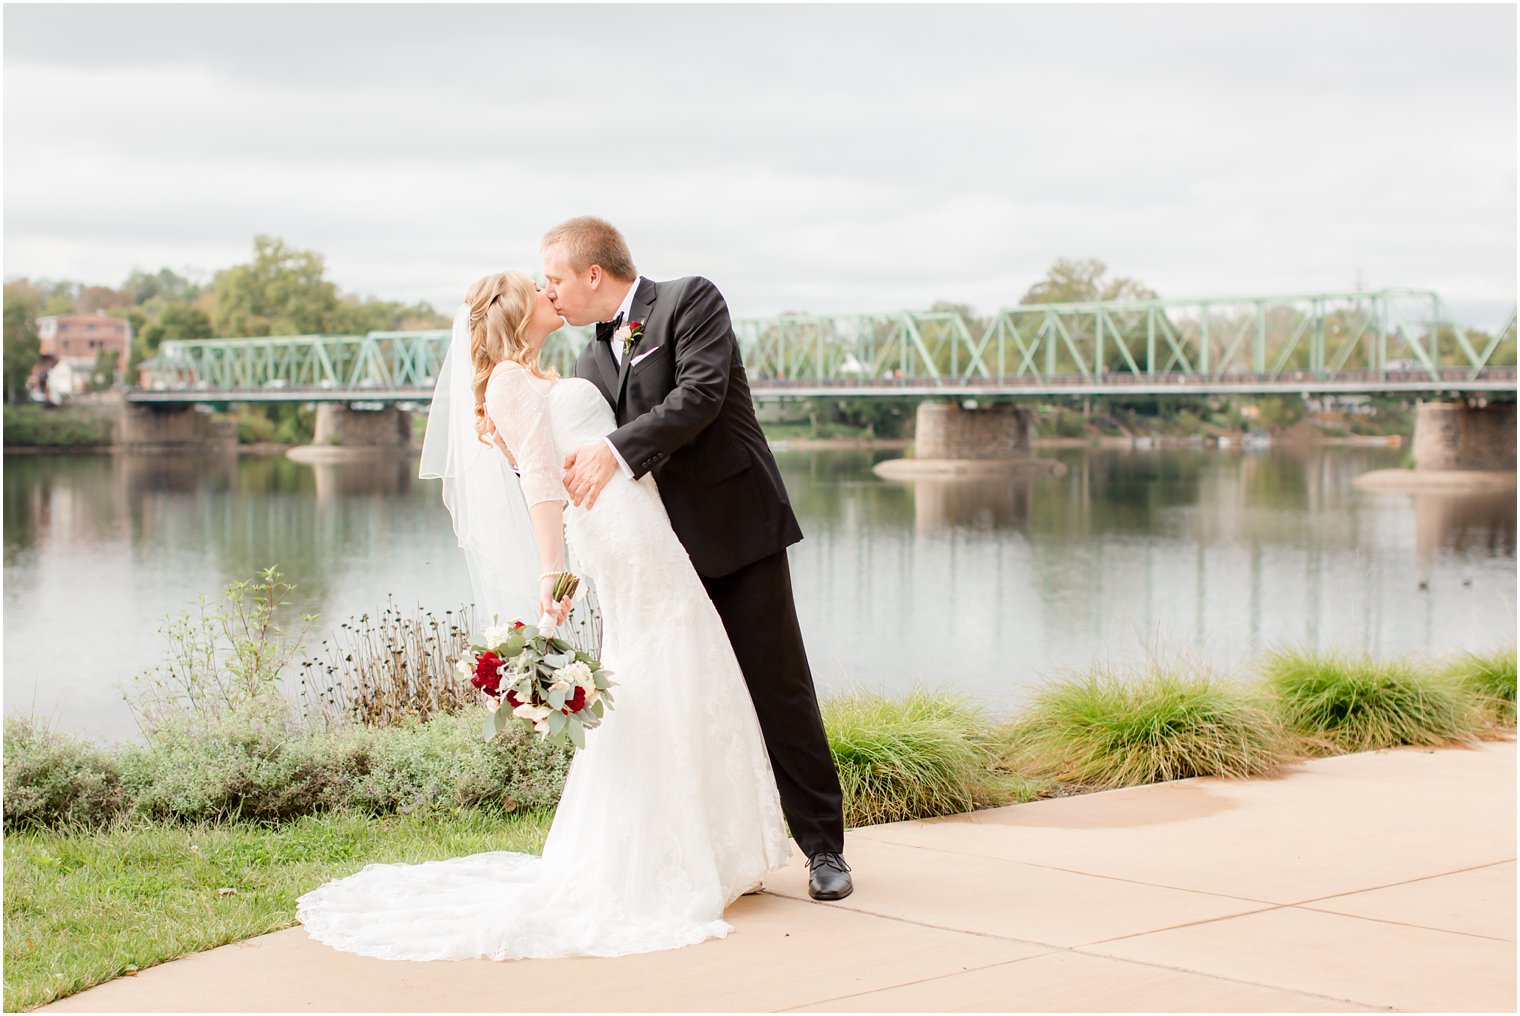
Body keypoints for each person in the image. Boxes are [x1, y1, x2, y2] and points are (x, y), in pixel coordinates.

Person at [295, 271, 791, 961]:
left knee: (674, 659)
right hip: (617, 528)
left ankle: (703, 845)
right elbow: (539, 479)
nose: (549, 289)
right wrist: (554, 571)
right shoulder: (506, 381)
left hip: (636, 517)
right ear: (513, 307)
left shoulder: (539, 371)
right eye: (538, 283)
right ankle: (665, 856)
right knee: (667, 654)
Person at [541, 216, 851, 901]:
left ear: (594, 274)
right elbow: (574, 489)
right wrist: (561, 578)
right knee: (681, 701)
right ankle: (720, 850)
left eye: (555, 277)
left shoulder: (690, 300)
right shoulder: (588, 364)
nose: (549, 292)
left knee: (778, 688)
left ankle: (824, 847)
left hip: (736, 532)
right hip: (657, 562)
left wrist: (615, 451)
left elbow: (702, 395)